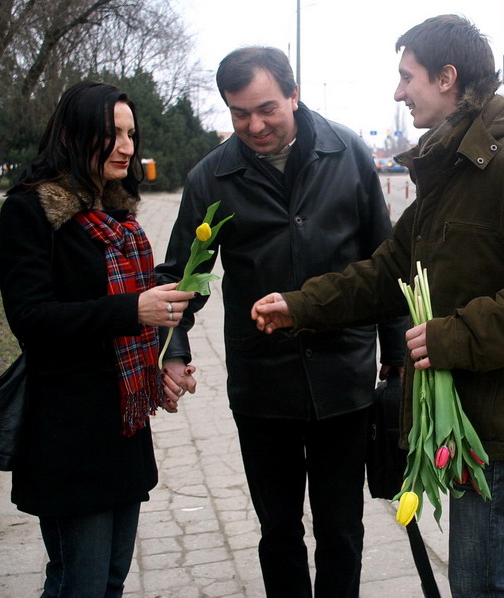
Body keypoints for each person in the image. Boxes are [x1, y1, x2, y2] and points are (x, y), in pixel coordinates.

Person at [251, 15, 504, 598]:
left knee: (483, 583)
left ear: (446, 78)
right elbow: (389, 270)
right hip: (473, 413)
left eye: (406, 77)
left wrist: (457, 337)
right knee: (479, 578)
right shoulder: (453, 170)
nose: (398, 92)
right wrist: (299, 305)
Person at [155, 46, 406, 598]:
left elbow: (384, 260)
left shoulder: (349, 155)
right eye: (239, 113)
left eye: (267, 108)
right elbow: (183, 273)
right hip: (262, 385)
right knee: (278, 530)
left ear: (294, 93)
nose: (255, 125)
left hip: (344, 378)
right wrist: (172, 350)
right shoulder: (212, 177)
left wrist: (398, 352)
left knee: (342, 528)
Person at [0, 81, 195, 597]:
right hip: (66, 431)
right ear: (71, 134)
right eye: (112, 134)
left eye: (131, 133)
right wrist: (134, 310)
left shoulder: (118, 215)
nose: (128, 147)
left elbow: (127, 326)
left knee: (108, 581)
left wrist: (163, 363)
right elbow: (31, 319)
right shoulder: (30, 210)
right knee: (76, 583)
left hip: (122, 426)